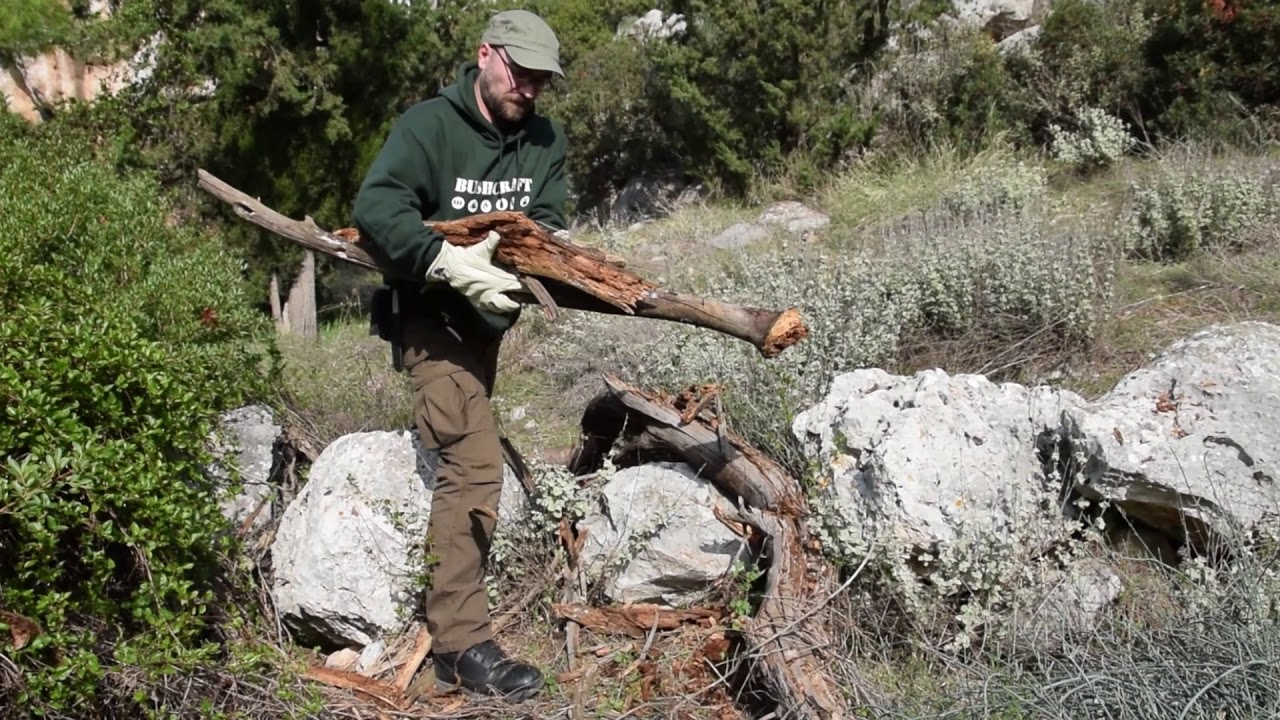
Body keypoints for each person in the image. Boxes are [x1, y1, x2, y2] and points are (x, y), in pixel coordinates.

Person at [350, 9, 567, 702]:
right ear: (484, 56)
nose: (529, 88)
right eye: (519, 73)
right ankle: (460, 647)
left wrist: (523, 275)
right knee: (474, 464)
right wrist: (443, 260)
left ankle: (458, 606)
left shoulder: (544, 139)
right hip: (429, 318)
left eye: (541, 79)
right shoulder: (426, 127)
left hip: (486, 325)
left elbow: (550, 224)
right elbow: (378, 207)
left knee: (472, 452)